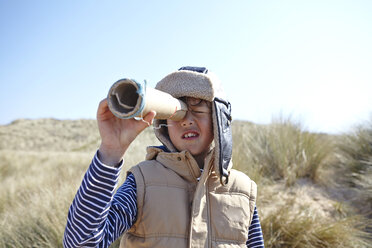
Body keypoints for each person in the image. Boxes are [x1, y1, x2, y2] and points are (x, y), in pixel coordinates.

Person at [63, 66, 264, 248]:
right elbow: (81, 243)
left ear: (219, 120)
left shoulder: (243, 191)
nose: (187, 121)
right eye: (178, 113)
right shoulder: (142, 183)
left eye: (198, 109)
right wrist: (111, 151)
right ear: (163, 125)